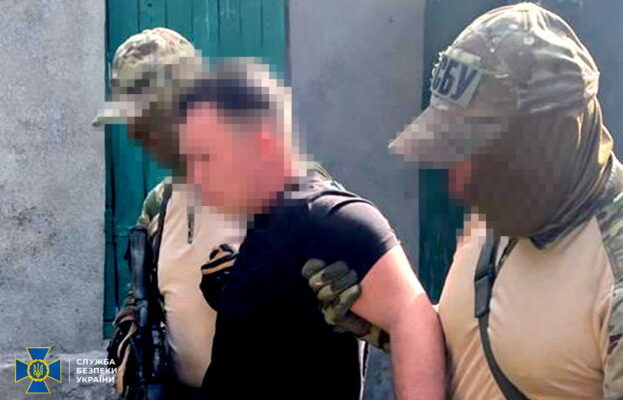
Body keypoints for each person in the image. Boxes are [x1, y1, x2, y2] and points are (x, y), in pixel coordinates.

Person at [307, 3, 623, 399]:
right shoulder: (502, 209)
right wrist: (394, 325)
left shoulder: (611, 268)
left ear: (553, 138)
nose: (458, 186)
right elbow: (491, 340)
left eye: (478, 155)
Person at [174, 59, 446, 399]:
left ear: (262, 147)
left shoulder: (324, 217)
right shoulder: (269, 221)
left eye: (206, 157)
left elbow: (413, 315)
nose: (195, 178)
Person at [93, 28, 246, 398]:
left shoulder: (279, 190)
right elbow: (145, 292)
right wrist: (131, 325)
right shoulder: (160, 201)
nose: (135, 134)